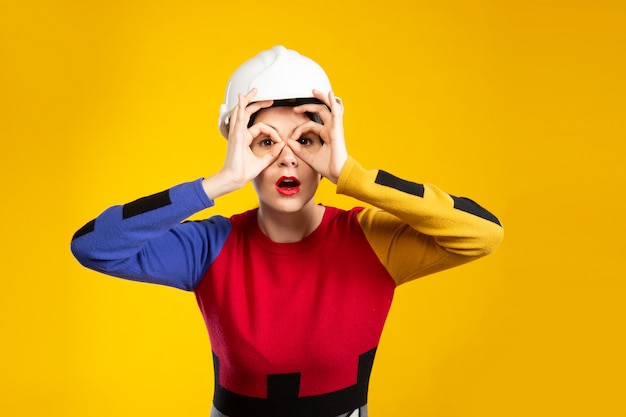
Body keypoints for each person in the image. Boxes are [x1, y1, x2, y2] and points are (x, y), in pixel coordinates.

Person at [71, 45, 503, 417]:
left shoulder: (371, 240)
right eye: (265, 141)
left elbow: (482, 233)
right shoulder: (210, 247)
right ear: (241, 149)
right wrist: (219, 183)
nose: (287, 157)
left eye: (307, 139)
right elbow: (93, 246)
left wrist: (350, 174)